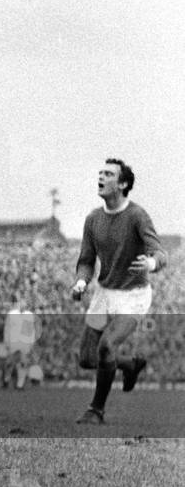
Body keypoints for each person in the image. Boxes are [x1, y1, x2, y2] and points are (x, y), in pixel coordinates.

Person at [72, 158, 166, 424]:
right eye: (100, 172)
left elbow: (160, 252)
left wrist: (150, 262)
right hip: (104, 292)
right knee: (88, 359)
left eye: (109, 174)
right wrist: (81, 282)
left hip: (133, 295)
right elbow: (86, 260)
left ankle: (96, 410)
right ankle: (129, 364)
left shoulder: (137, 215)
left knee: (107, 346)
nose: (101, 176)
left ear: (122, 184)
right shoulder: (93, 219)